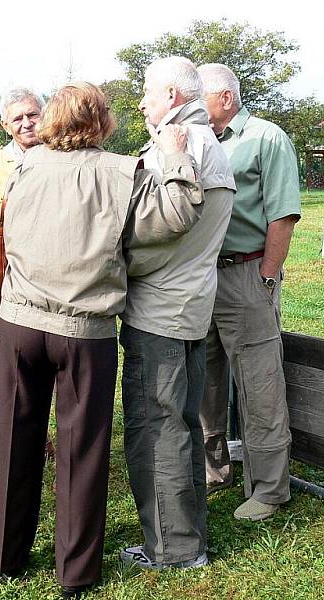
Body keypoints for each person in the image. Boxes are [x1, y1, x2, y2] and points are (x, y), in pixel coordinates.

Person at [0, 81, 205, 598]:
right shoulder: (123, 172)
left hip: (20, 322)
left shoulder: (23, 166)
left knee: (14, 442)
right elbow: (177, 217)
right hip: (83, 331)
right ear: (104, 122)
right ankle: (75, 572)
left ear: (51, 121)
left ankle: (5, 556)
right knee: (80, 453)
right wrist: (176, 159)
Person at [118, 57, 236, 570]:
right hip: (188, 306)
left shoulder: (179, 147)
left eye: (146, 93)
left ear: (169, 94)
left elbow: (161, 228)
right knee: (181, 425)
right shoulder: (206, 142)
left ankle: (173, 549)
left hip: (159, 313)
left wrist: (111, 262)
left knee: (155, 428)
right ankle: (185, 538)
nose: (140, 104)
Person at [197, 63, 301, 521]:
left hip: (246, 274)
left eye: (195, 96)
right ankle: (213, 469)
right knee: (205, 381)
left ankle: (269, 490)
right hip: (201, 277)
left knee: (259, 386)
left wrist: (268, 276)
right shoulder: (200, 140)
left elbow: (283, 214)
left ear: (225, 98)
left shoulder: (266, 138)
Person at [0, 88, 44, 335]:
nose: (27, 123)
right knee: (10, 341)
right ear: (5, 125)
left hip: (49, 266)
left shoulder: (60, 156)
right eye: (17, 118)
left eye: (32, 115)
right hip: (8, 267)